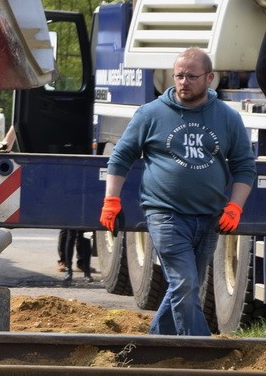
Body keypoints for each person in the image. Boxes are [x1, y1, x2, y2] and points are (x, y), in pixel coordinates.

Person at [99, 48, 255, 336]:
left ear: (209, 78)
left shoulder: (227, 118)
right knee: (185, 284)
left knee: (184, 287)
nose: (183, 82)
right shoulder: (152, 114)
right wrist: (111, 200)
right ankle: (202, 352)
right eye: (179, 75)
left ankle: (154, 348)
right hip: (165, 214)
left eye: (191, 76)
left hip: (209, 217)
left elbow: (245, 167)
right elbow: (120, 157)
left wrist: (235, 207)